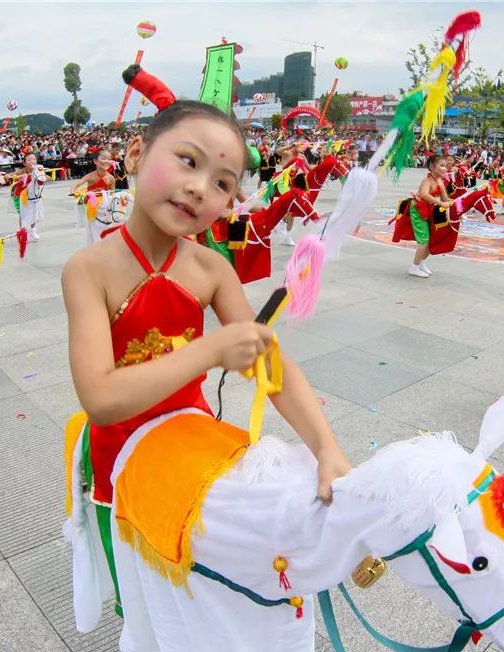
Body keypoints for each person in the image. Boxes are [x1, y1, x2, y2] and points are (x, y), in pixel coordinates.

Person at [61, 64, 351, 621]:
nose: (200, 187)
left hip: (188, 440)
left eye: (222, 182)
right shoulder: (89, 269)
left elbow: (272, 365)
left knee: (208, 584)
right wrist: (211, 350)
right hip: (122, 456)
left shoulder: (211, 269)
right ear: (136, 156)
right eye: (188, 161)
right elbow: (99, 397)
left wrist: (326, 449)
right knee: (149, 597)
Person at [401, 154, 448, 278]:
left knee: (431, 238)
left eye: (446, 166)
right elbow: (423, 194)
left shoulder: (440, 182)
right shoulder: (427, 181)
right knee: (424, 239)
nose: (445, 169)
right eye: (442, 166)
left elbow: (445, 199)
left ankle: (421, 263)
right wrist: (440, 203)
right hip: (418, 210)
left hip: (430, 210)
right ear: (432, 167)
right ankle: (414, 267)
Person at [7, 153, 46, 240]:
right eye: (29, 160)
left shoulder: (38, 170)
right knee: (23, 215)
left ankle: (32, 231)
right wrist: (8, 175)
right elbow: (13, 174)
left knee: (34, 214)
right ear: (24, 163)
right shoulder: (22, 172)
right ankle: (22, 233)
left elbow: (46, 178)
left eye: (33, 159)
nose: (32, 161)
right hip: (20, 195)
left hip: (33, 196)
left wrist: (42, 172)